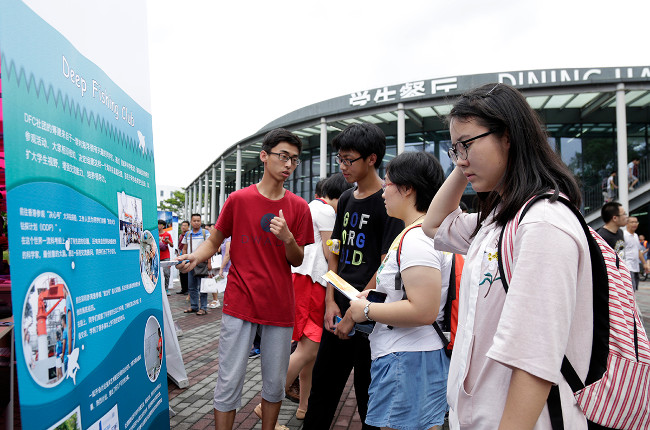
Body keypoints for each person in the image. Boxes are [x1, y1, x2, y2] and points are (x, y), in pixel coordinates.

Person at [422, 82, 592, 429]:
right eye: (454, 149)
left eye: (467, 144)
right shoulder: (500, 219)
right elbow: (435, 224)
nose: (461, 158)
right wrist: (463, 159)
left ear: (509, 135)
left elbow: (534, 360)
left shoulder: (543, 223)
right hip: (478, 414)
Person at [177, 128, 314, 430]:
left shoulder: (298, 208)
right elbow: (214, 241)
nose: (289, 164)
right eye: (283, 156)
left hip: (279, 305)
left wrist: (289, 238)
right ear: (264, 156)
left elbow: (297, 259)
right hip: (240, 301)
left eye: (294, 159)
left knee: (275, 383)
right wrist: (196, 256)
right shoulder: (238, 200)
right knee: (229, 381)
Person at [303, 123, 404, 430]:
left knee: (369, 399)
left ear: (372, 158)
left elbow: (386, 266)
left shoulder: (390, 201)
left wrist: (354, 313)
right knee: (322, 391)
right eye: (340, 159)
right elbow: (335, 251)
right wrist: (330, 300)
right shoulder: (346, 198)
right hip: (338, 307)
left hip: (370, 315)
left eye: (349, 159)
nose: (342, 166)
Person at [347, 151, 451, 430]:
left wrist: (365, 310)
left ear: (407, 189)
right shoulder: (421, 234)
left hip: (406, 359)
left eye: (388, 183)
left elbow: (423, 309)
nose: (383, 190)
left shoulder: (418, 239)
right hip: (416, 356)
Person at [284, 172, 352, 420]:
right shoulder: (325, 211)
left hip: (301, 278)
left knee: (308, 349)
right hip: (313, 280)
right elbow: (329, 249)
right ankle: (268, 401)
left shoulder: (309, 207)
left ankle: (304, 407)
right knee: (310, 349)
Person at [182, 214, 211, 315]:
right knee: (192, 287)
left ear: (201, 221)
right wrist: (184, 260)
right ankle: (194, 306)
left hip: (202, 264)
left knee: (203, 287)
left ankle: (203, 308)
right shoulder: (188, 234)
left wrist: (209, 263)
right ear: (191, 222)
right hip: (190, 263)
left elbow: (209, 249)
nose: (196, 222)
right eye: (194, 221)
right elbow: (184, 248)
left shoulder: (205, 233)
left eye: (198, 220)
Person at [623, 216, 648, 291]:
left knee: (634, 290)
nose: (635, 224)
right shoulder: (624, 235)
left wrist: (644, 264)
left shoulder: (636, 236)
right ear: (627, 223)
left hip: (635, 267)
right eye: (632, 222)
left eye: (636, 222)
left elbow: (638, 251)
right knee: (630, 290)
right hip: (627, 267)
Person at [158, 220, 174, 295]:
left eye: (159, 224)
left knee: (166, 273)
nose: (158, 225)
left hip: (165, 256)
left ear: (163, 226)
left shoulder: (167, 234)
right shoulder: (154, 234)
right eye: (157, 224)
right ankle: (158, 290)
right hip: (156, 256)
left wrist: (168, 241)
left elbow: (172, 245)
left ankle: (166, 289)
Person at [177, 220, 190, 295]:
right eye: (182, 225)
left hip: (187, 255)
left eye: (185, 225)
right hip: (181, 254)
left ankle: (187, 289)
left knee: (187, 271)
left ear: (188, 226)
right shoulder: (181, 235)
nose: (183, 227)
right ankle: (183, 289)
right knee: (181, 272)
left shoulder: (189, 234)